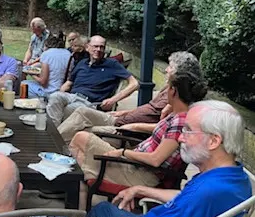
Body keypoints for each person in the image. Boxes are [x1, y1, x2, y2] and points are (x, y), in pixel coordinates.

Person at [78, 100, 251, 217]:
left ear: (214, 141)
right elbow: (185, 198)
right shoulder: (234, 176)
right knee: (103, 210)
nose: (180, 138)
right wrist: (141, 189)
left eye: (187, 131)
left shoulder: (206, 192)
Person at [69, 71, 207, 209]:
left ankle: (81, 199)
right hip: (136, 165)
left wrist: (122, 153)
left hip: (141, 173)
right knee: (82, 154)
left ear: (173, 91)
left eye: (167, 88)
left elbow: (156, 159)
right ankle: (81, 202)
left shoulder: (180, 121)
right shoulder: (178, 115)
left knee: (81, 138)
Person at [58, 51, 202, 143]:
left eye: (170, 67)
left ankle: (55, 153)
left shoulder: (178, 99)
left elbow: (165, 127)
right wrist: (124, 112)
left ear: (180, 72)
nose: (166, 69)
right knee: (81, 112)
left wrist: (133, 125)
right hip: (120, 120)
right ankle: (53, 142)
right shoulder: (168, 89)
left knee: (81, 132)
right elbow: (149, 109)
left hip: (126, 132)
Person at [47, 35, 138, 125]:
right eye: (95, 46)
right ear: (87, 47)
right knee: (54, 97)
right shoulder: (82, 63)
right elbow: (68, 84)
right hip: (72, 97)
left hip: (89, 104)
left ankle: (54, 135)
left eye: (101, 47)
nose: (98, 50)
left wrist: (113, 100)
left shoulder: (112, 64)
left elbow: (134, 84)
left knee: (64, 110)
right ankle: (54, 134)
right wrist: (60, 93)